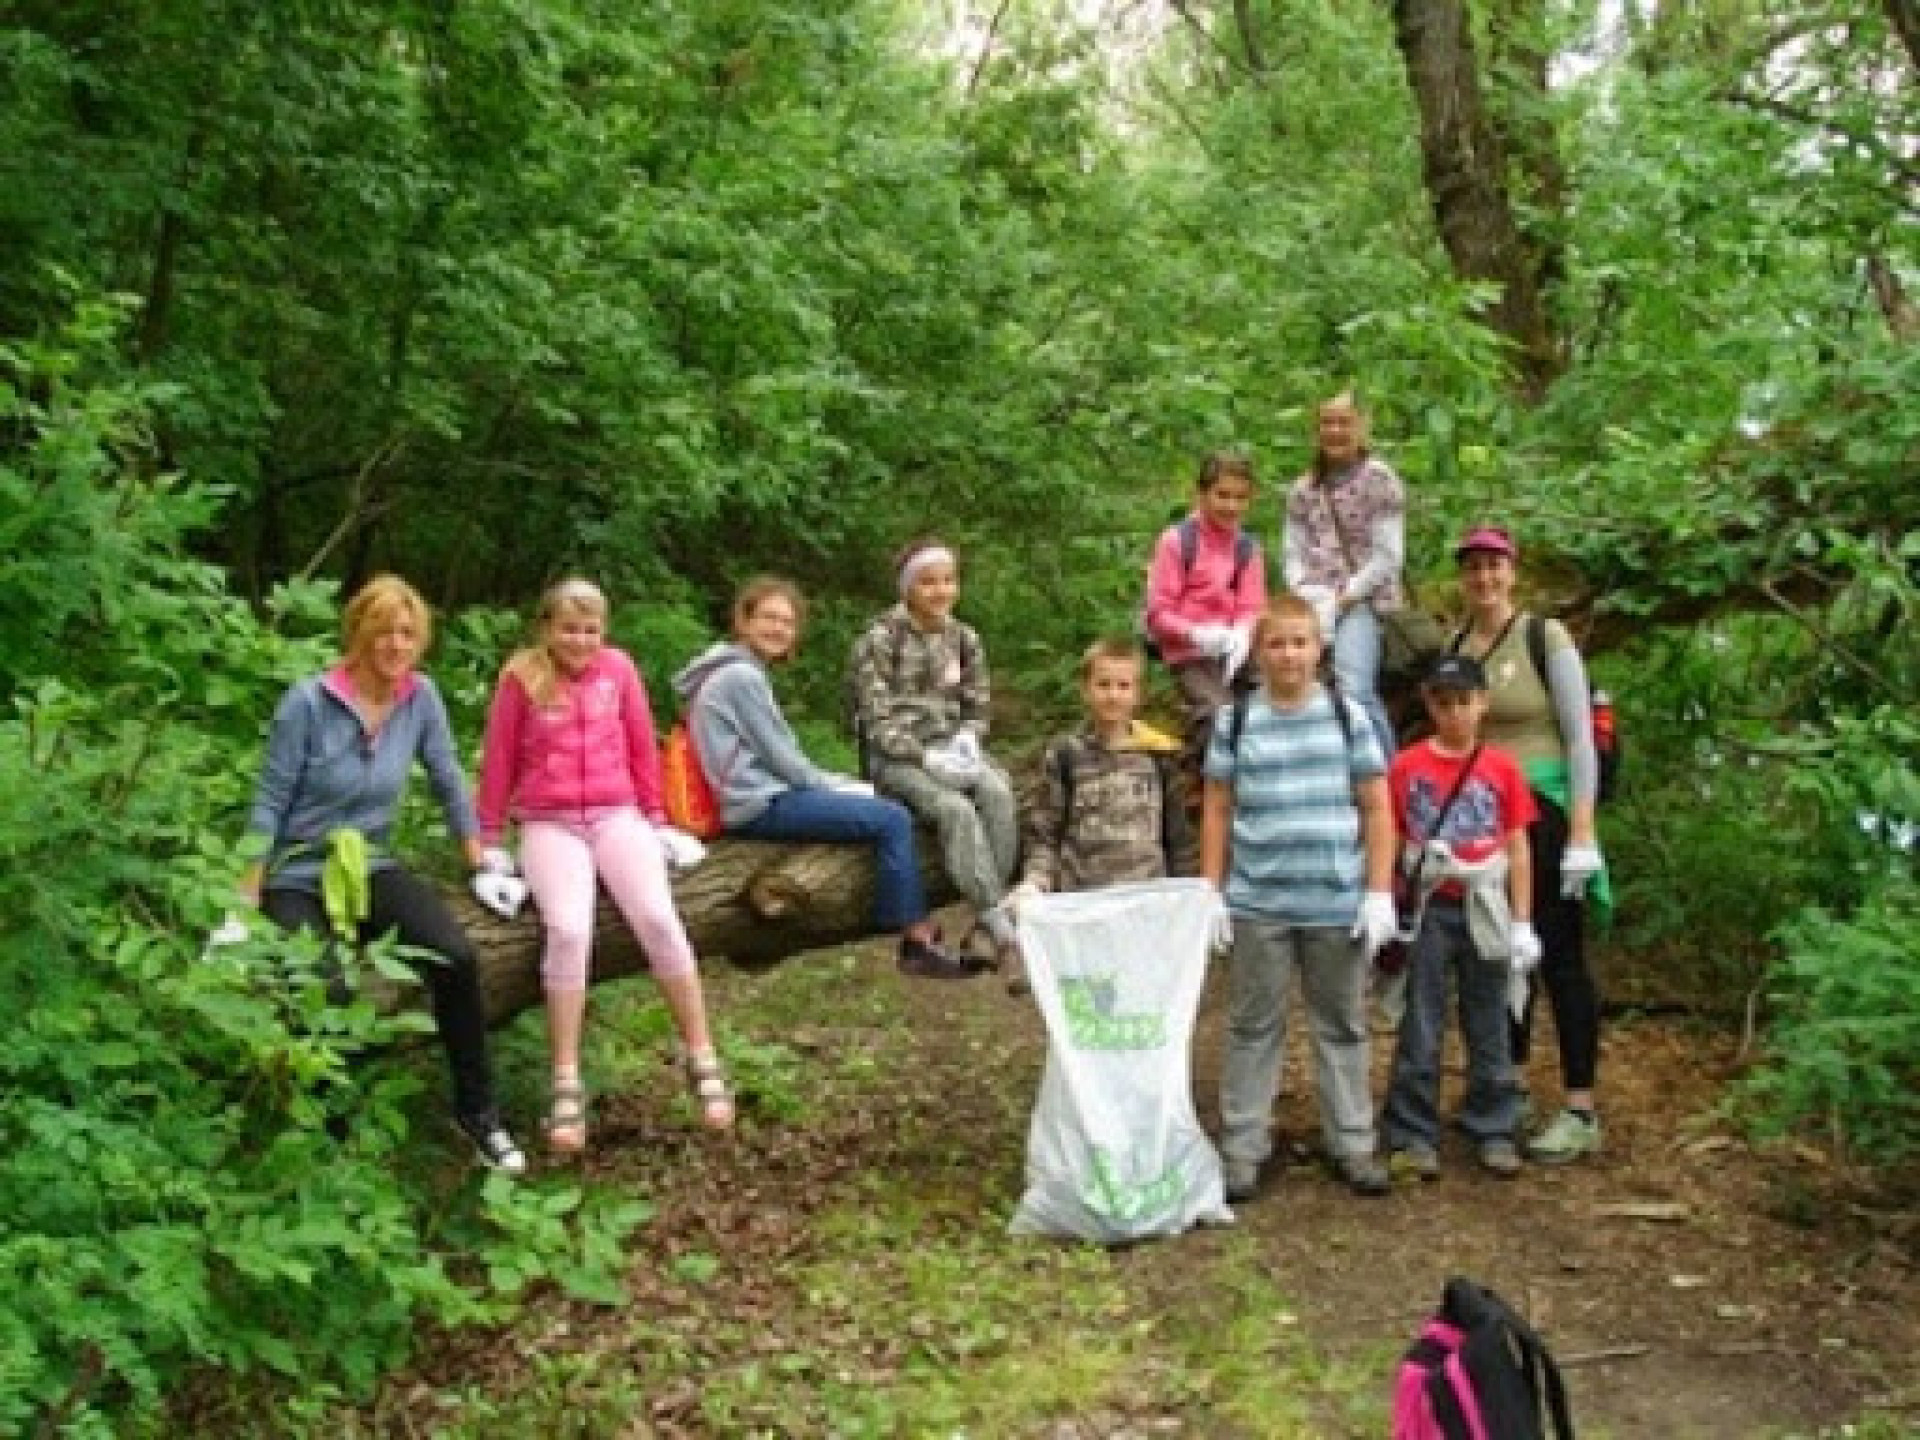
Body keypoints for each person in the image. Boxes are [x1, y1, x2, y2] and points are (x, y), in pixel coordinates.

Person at [233, 574, 526, 1174]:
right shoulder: (308, 703)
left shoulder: (420, 699)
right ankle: (329, 1134)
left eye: (408, 633)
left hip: (369, 863)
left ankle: (478, 1114)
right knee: (327, 987)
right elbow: (268, 801)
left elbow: (448, 780)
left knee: (456, 956)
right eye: (383, 631)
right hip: (297, 871)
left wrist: (480, 860)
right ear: (358, 634)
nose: (395, 644)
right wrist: (244, 898)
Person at [475, 578, 732, 1155]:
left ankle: (702, 1055)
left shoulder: (618, 670)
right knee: (569, 929)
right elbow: (498, 759)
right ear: (546, 628)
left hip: (618, 815)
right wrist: (488, 840)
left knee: (658, 917)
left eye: (591, 630)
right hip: (550, 822)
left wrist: (657, 818)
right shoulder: (522, 677)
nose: (580, 641)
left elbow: (641, 745)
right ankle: (566, 1079)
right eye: (569, 629)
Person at [675, 576, 973, 981]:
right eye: (768, 618)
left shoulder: (729, 671)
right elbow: (785, 762)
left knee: (877, 805)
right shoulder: (741, 678)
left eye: (787, 621)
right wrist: (840, 786)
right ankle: (914, 937)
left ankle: (906, 919)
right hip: (757, 803)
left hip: (753, 795)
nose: (778, 629)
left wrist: (837, 784)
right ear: (743, 622)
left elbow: (777, 758)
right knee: (891, 818)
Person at [1201, 593, 1397, 1200]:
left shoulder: (1347, 715)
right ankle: (1242, 1149)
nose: (1288, 655)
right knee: (1252, 1026)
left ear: (1319, 650)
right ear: (1258, 653)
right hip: (1257, 902)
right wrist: (1211, 889)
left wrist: (1379, 891)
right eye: (1276, 644)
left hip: (1335, 901)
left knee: (1342, 1024)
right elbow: (1217, 807)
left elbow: (1376, 805)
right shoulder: (1235, 721)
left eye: (1299, 642)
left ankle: (1353, 1143)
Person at [1450, 525, 1608, 1164]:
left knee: (1558, 953)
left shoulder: (1545, 638)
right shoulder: (1458, 646)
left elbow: (1580, 737)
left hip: (1545, 813)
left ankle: (1580, 1106)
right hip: (1481, 818)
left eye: (1494, 566)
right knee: (1496, 953)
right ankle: (1507, 1085)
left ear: (1512, 572)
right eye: (1472, 568)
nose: (1484, 578)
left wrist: (1583, 831)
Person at [1379, 654, 1539, 1180]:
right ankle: (1411, 1130)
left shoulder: (1502, 769)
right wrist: (1383, 896)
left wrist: (1522, 920)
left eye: (1463, 702)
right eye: (1443, 703)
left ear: (1483, 703)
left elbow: (1517, 846)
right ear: (1430, 705)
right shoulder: (1406, 767)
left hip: (1484, 902)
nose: (1454, 713)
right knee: (1421, 1019)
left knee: (1489, 1014)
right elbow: (1391, 834)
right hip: (1429, 905)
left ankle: (1493, 1124)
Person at [850, 537, 1020, 971]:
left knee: (998, 793)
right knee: (954, 810)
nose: (940, 591)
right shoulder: (880, 640)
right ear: (908, 587)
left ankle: (988, 916)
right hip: (900, 758)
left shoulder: (964, 639)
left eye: (948, 580)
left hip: (953, 746)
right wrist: (924, 758)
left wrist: (969, 738)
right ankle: (999, 924)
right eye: (928, 582)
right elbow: (877, 722)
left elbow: (978, 706)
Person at [1004, 638, 1190, 994]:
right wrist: (1035, 882)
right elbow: (1045, 830)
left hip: (1145, 909)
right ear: (1085, 689)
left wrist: (1187, 898)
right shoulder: (1065, 753)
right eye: (1103, 684)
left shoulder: (1158, 754)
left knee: (1139, 1006)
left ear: (1138, 694)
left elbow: (1177, 836)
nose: (1113, 695)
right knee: (1088, 1009)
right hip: (1081, 907)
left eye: (1123, 686)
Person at [1282, 391, 1405, 760]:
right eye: (1327, 423)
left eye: (1344, 422)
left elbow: (1388, 555)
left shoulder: (1379, 479)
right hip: (1314, 602)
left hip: (1362, 601)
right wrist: (1303, 591)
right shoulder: (1304, 488)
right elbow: (1292, 551)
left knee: (1354, 690)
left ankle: (1387, 773)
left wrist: (1349, 594)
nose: (1335, 431)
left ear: (1361, 427)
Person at [1143, 453, 1269, 791]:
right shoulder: (1176, 542)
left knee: (1275, 702)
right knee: (1219, 715)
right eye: (1222, 495)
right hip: (1189, 652)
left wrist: (1242, 632)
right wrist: (1196, 634)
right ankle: (1214, 787)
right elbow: (1158, 613)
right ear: (1201, 494)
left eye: (1240, 497)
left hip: (1238, 648)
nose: (1231, 505)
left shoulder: (1247, 548)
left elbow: (1253, 605)